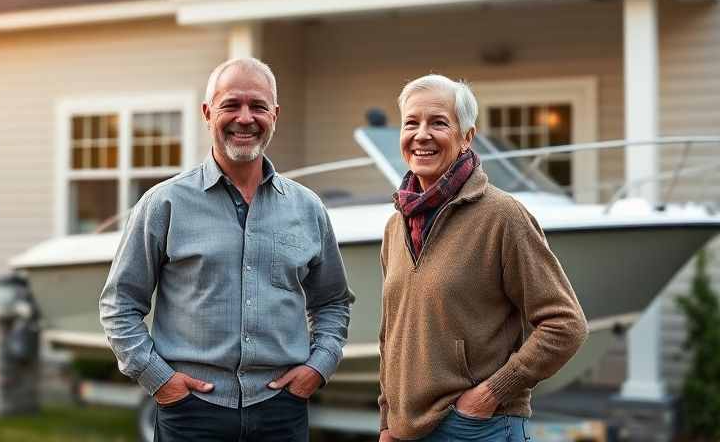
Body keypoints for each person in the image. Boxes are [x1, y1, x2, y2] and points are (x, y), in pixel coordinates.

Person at [99, 57, 353, 441]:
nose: (245, 118)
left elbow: (332, 302)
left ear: (275, 115)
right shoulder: (163, 204)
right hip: (191, 414)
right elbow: (119, 305)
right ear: (207, 112)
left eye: (258, 106)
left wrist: (319, 366)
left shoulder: (308, 208)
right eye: (231, 105)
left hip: (281, 413)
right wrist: (160, 380)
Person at [378, 75, 588, 441]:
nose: (422, 134)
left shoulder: (502, 216)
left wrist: (490, 395)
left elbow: (565, 325)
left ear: (466, 138)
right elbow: (390, 337)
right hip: (405, 432)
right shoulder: (396, 226)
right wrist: (387, 423)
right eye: (411, 123)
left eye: (439, 122)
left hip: (476, 427)